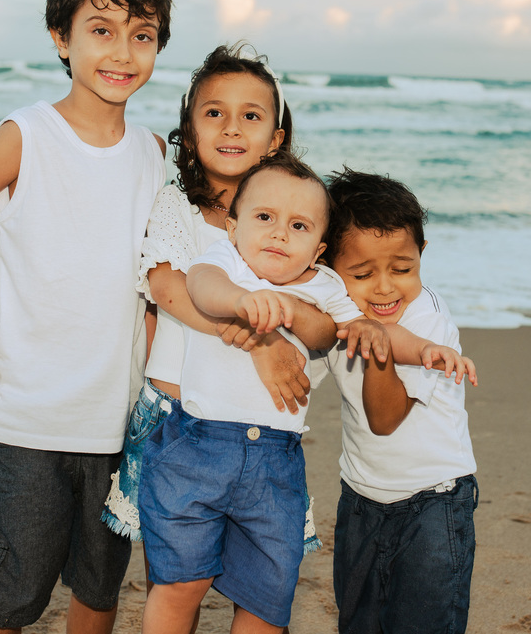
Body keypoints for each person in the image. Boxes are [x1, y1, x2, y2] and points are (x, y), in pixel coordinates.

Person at [0, 0, 171, 634]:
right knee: (4, 599)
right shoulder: (26, 134)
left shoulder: (153, 154)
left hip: (117, 425)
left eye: (142, 35)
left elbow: (160, 279)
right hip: (23, 420)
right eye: (101, 30)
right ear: (61, 39)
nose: (122, 52)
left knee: (98, 590)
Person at [140, 153, 465, 634]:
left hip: (275, 461)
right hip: (198, 445)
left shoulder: (327, 286)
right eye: (264, 218)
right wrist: (242, 302)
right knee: (180, 581)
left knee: (267, 596)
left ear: (318, 248)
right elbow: (199, 287)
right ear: (233, 227)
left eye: (298, 225)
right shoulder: (225, 262)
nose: (277, 234)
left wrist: (426, 349)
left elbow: (365, 330)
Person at [101, 45, 342, 634]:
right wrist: (261, 340)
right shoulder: (177, 206)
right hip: (174, 416)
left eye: (251, 116)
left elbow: (327, 312)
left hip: (266, 433)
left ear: (277, 137)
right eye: (214, 113)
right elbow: (170, 288)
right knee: (175, 578)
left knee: (262, 583)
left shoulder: (295, 219)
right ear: (189, 128)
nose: (232, 127)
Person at [319, 168, 480, 634]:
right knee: (359, 623)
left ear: (422, 255)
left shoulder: (428, 319)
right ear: (328, 266)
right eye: (363, 273)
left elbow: (384, 418)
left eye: (403, 269)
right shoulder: (335, 308)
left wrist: (377, 343)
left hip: (433, 503)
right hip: (361, 498)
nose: (386, 288)